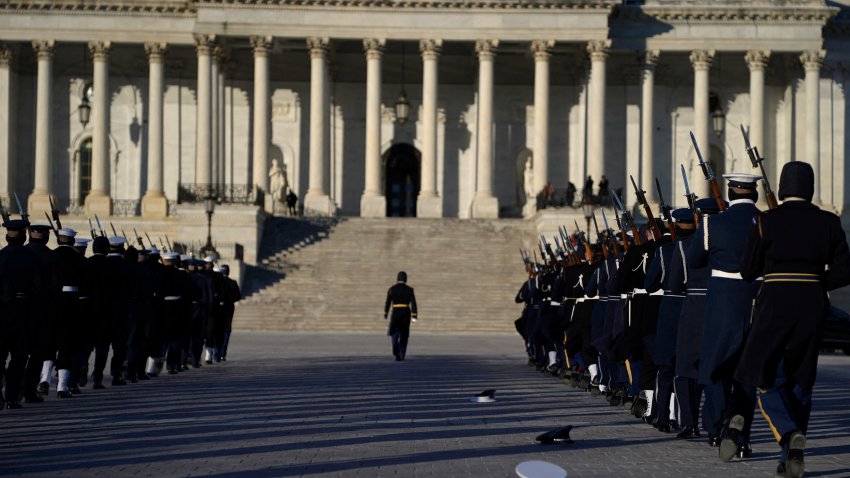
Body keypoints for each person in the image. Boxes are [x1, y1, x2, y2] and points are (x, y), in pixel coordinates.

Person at [733, 162, 850, 478]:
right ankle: (791, 456)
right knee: (802, 379)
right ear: (809, 188)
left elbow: (747, 270)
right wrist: (816, 282)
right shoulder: (828, 221)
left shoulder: (765, 220)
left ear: (783, 187)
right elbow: (843, 269)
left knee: (762, 373)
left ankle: (786, 432)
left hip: (774, 303)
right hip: (812, 304)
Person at [687, 173, 762, 461]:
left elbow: (695, 261)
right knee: (747, 375)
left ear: (730, 192)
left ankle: (719, 428)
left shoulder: (712, 223)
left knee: (715, 368)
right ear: (753, 194)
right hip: (756, 300)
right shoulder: (765, 221)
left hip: (721, 301)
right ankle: (742, 440)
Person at [383, 271, 417, 361]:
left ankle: (395, 346)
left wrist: (386, 312)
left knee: (394, 331)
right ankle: (401, 354)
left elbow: (388, 302)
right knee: (404, 334)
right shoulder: (409, 289)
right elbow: (413, 303)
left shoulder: (392, 289)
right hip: (406, 313)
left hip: (395, 312)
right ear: (405, 279)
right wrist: (414, 315)